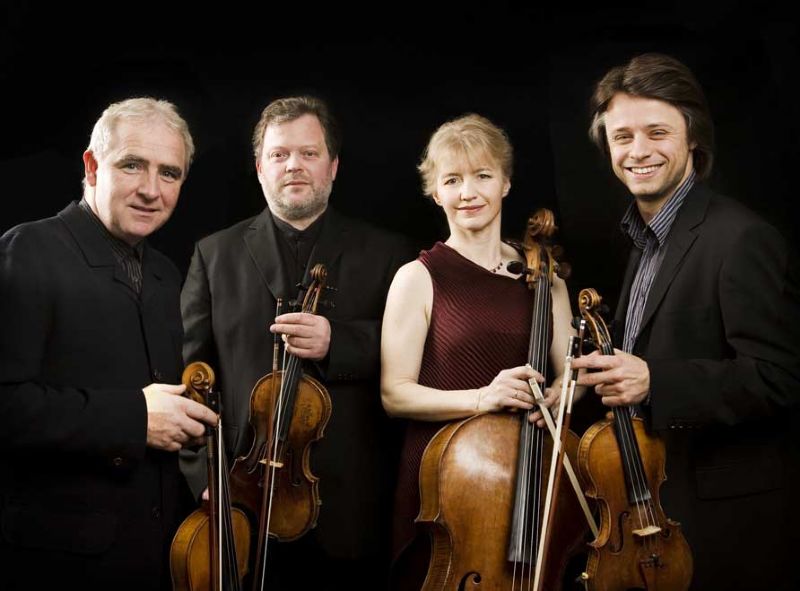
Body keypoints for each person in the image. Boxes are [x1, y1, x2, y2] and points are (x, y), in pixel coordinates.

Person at [570, 53, 800, 590]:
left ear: (693, 137)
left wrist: (655, 381)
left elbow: (781, 376)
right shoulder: (642, 239)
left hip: (726, 523)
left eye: (657, 132)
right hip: (655, 511)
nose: (638, 151)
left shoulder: (742, 238)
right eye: (622, 136)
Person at [180, 95, 413, 589]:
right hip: (244, 496)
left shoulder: (388, 252)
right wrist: (205, 478)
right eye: (280, 154)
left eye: (309, 153)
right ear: (260, 167)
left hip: (352, 505)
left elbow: (420, 352)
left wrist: (338, 342)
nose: (294, 166)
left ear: (333, 166)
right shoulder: (213, 255)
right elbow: (191, 376)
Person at [0, 97, 218, 590]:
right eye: (132, 165)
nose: (151, 190)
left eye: (169, 173)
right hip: (58, 563)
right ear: (92, 166)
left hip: (155, 556)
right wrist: (137, 419)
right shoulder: (26, 251)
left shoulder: (164, 273)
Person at [380, 113, 577, 589]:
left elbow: (570, 371)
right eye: (452, 180)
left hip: (528, 470)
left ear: (505, 182)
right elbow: (395, 394)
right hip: (447, 483)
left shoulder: (544, 277)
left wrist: (561, 394)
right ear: (436, 192)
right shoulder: (417, 278)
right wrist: (483, 398)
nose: (468, 192)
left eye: (482, 176)